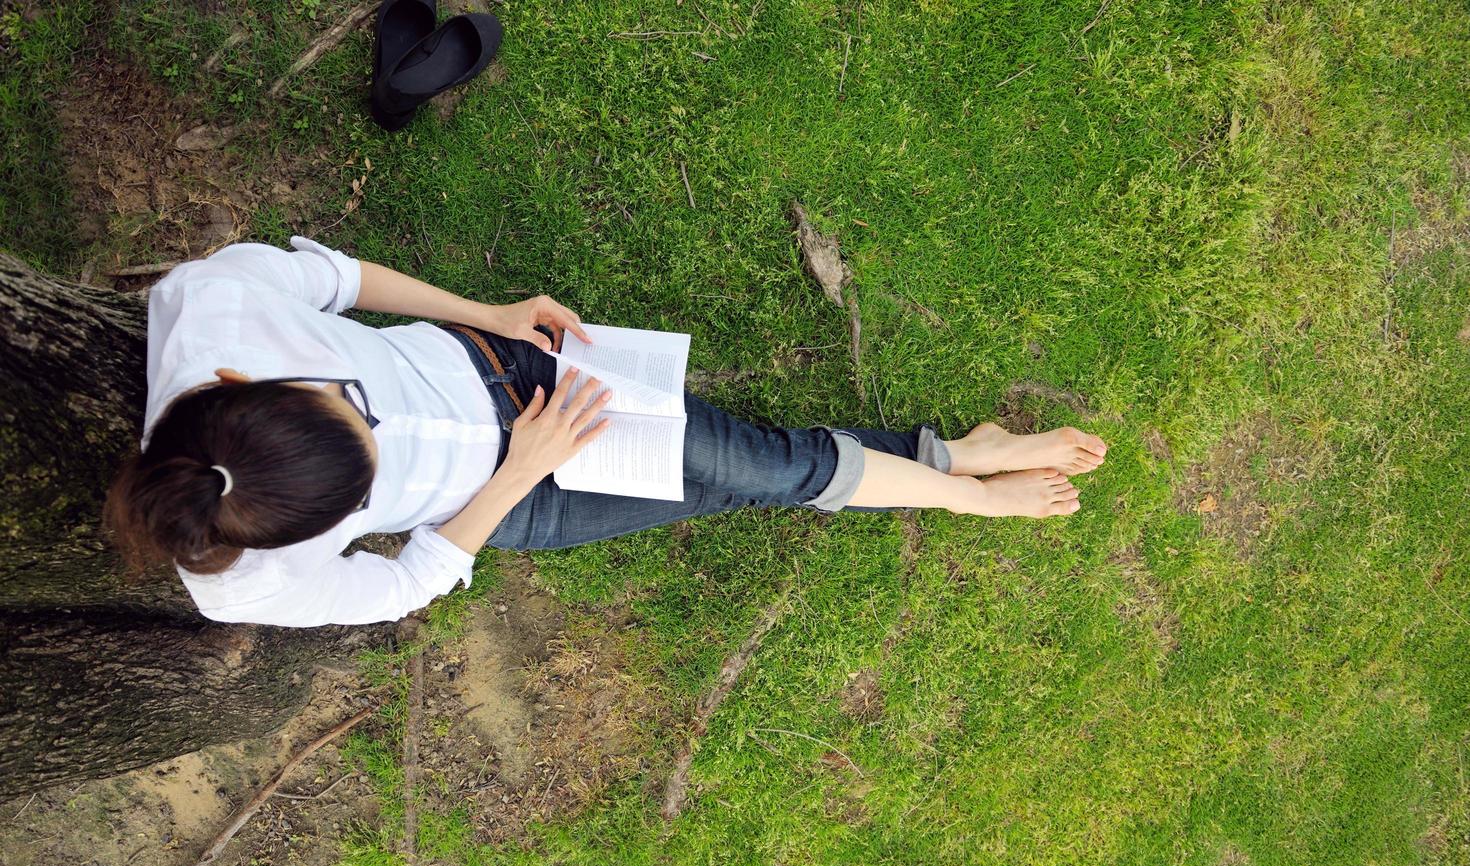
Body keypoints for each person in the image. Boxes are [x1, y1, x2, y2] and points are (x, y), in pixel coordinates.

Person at [105, 238, 1107, 628]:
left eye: (349, 401)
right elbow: (408, 576)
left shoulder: (213, 306)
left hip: (513, 372)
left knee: (773, 465)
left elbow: (346, 282)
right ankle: (954, 457)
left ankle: (969, 479)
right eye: (366, 483)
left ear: (244, 381)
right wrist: (516, 476)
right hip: (515, 501)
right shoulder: (246, 580)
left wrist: (490, 314)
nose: (371, 420)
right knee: (749, 478)